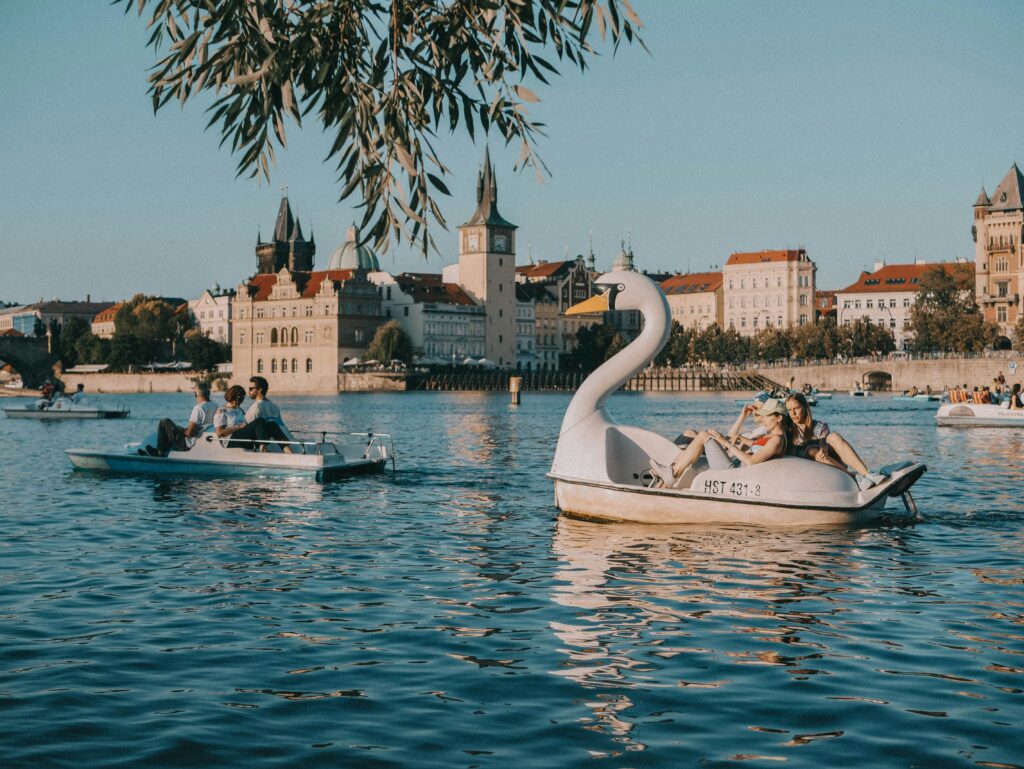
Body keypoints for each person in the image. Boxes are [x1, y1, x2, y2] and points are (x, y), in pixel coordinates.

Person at [650, 398, 792, 488]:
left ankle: (671, 474)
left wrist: (725, 442)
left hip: (732, 471)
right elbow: (755, 447)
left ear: (778, 418)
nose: (763, 419)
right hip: (733, 464)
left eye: (767, 416)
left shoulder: (777, 440)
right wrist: (739, 437)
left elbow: (751, 461)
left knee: (704, 436)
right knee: (691, 461)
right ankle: (661, 487)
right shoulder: (770, 436)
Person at [785, 392, 885, 490]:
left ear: (805, 408)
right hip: (809, 471)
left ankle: (867, 474)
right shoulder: (788, 430)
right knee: (811, 450)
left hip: (830, 465)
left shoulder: (819, 426)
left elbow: (823, 442)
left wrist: (823, 446)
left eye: (796, 408)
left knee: (833, 436)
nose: (793, 413)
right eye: (789, 410)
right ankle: (853, 477)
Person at [214, 384, 293, 452]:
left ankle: (287, 449)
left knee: (272, 424)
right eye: (241, 399)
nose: (242, 401)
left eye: (243, 399)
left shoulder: (239, 410)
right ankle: (263, 449)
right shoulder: (222, 411)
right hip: (231, 440)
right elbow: (220, 433)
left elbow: (247, 425)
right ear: (234, 397)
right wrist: (238, 427)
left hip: (243, 437)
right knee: (259, 420)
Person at [149, 381, 218, 456]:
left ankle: (159, 451)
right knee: (177, 428)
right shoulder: (216, 407)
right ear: (209, 394)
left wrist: (183, 431)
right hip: (202, 440)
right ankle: (162, 450)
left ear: (195, 394)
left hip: (188, 445)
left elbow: (189, 433)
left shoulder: (199, 408)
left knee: (164, 422)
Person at [244, 376, 296, 444]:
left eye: (251, 388)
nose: (249, 391)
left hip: (266, 443)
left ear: (259, 390)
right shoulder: (275, 407)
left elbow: (245, 428)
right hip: (277, 442)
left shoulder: (256, 407)